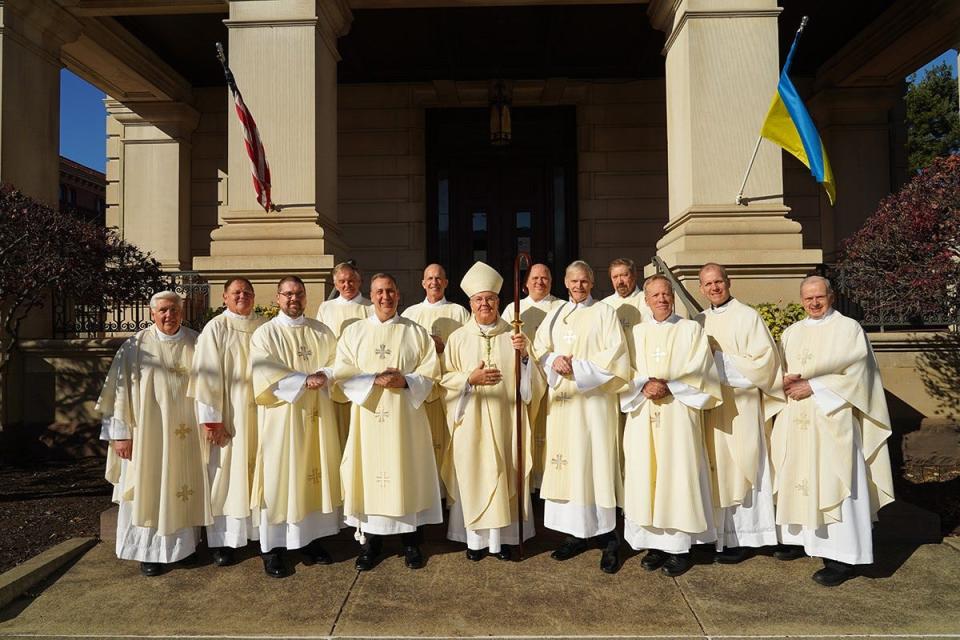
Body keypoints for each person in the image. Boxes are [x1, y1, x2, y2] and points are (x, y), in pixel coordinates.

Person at [771, 275, 894, 587]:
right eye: (808, 298)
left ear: (831, 296)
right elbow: (781, 369)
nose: (814, 303)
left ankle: (842, 557)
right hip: (798, 420)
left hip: (832, 419)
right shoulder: (792, 332)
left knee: (835, 481)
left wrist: (813, 385)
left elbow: (860, 375)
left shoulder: (848, 329)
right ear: (801, 300)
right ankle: (809, 543)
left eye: (819, 297)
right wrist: (785, 380)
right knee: (802, 479)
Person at [97, 291, 211, 577]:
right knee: (149, 487)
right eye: (162, 310)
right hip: (147, 436)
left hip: (187, 438)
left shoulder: (197, 343)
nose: (168, 315)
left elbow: (211, 387)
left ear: (181, 312)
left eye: (173, 310)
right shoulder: (135, 348)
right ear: (152, 313)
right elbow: (118, 393)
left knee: (182, 486)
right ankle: (147, 553)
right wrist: (120, 434)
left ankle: (181, 550)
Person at [336, 272, 443, 571]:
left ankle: (411, 543)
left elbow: (431, 374)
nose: (386, 297)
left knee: (406, 473)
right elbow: (342, 373)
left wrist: (405, 381)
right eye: (380, 292)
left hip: (406, 422)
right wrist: (374, 379)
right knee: (370, 476)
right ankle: (372, 544)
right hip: (369, 420)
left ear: (398, 295)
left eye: (391, 292)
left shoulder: (415, 332)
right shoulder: (354, 332)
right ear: (371, 295)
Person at [619, 275, 722, 577]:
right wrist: (643, 385)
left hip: (679, 414)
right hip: (643, 414)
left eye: (666, 294)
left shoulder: (690, 330)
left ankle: (679, 547)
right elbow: (625, 370)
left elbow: (702, 370)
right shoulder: (635, 333)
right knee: (645, 475)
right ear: (646, 300)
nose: (662, 299)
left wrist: (671, 386)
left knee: (677, 476)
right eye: (655, 295)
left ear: (673, 297)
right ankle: (653, 544)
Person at [442, 261, 545, 561]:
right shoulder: (458, 339)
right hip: (470, 423)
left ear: (499, 302)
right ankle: (474, 542)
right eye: (478, 299)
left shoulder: (515, 337)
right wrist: (468, 380)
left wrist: (525, 356)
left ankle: (508, 539)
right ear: (470, 303)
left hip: (506, 423)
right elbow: (443, 381)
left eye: (490, 298)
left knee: (507, 472)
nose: (484, 303)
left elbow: (533, 384)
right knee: (474, 473)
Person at [532, 260, 630, 574]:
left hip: (594, 405)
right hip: (563, 404)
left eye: (584, 281)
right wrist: (553, 360)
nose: (578, 287)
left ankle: (609, 538)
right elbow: (540, 349)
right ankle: (575, 534)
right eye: (573, 281)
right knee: (570, 467)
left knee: (596, 465)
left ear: (591, 282)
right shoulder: (555, 314)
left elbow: (616, 355)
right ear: (565, 282)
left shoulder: (604, 313)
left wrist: (578, 367)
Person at [249, 276, 343, 578]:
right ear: (277, 298)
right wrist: (304, 380)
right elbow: (263, 370)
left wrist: (324, 374)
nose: (294, 299)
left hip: (317, 418)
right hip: (283, 422)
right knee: (280, 478)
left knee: (311, 476)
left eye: (299, 294)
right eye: (288, 294)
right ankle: (272, 549)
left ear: (306, 297)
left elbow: (338, 362)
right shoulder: (265, 334)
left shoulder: (321, 331)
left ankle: (308, 541)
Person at [695, 264, 784, 563]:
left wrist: (717, 363)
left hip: (741, 408)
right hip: (712, 411)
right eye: (708, 284)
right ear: (701, 289)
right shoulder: (699, 321)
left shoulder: (748, 317)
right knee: (715, 468)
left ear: (728, 282)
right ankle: (714, 535)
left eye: (718, 281)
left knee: (743, 464)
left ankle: (745, 537)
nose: (714, 288)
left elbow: (763, 365)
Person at [189, 277, 266, 567]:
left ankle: (258, 533)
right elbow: (206, 377)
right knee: (225, 476)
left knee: (257, 474)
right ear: (224, 297)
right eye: (236, 292)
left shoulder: (262, 327)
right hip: (229, 419)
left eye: (247, 292)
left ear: (254, 296)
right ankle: (223, 541)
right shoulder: (216, 329)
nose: (242, 296)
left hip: (260, 417)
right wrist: (212, 421)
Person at [401, 264, 470, 482]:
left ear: (446, 283)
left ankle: (448, 489)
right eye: (430, 278)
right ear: (423, 283)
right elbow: (403, 349)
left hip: (450, 386)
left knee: (450, 438)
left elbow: (468, 345)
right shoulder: (410, 314)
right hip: (420, 388)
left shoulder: (459, 312)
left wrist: (444, 347)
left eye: (439, 278)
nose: (434, 282)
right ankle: (424, 489)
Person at [501, 263, 563, 488]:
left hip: (554, 380)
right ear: (526, 284)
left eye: (545, 277)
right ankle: (528, 484)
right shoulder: (513, 309)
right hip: (524, 379)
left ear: (551, 281)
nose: (540, 281)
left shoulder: (562, 307)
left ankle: (549, 482)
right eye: (535, 278)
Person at [316, 261, 373, 448]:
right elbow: (320, 340)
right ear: (335, 283)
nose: (347, 285)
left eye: (351, 280)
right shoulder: (326, 308)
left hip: (360, 373)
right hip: (333, 373)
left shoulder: (370, 307)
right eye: (342, 281)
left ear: (359, 281)